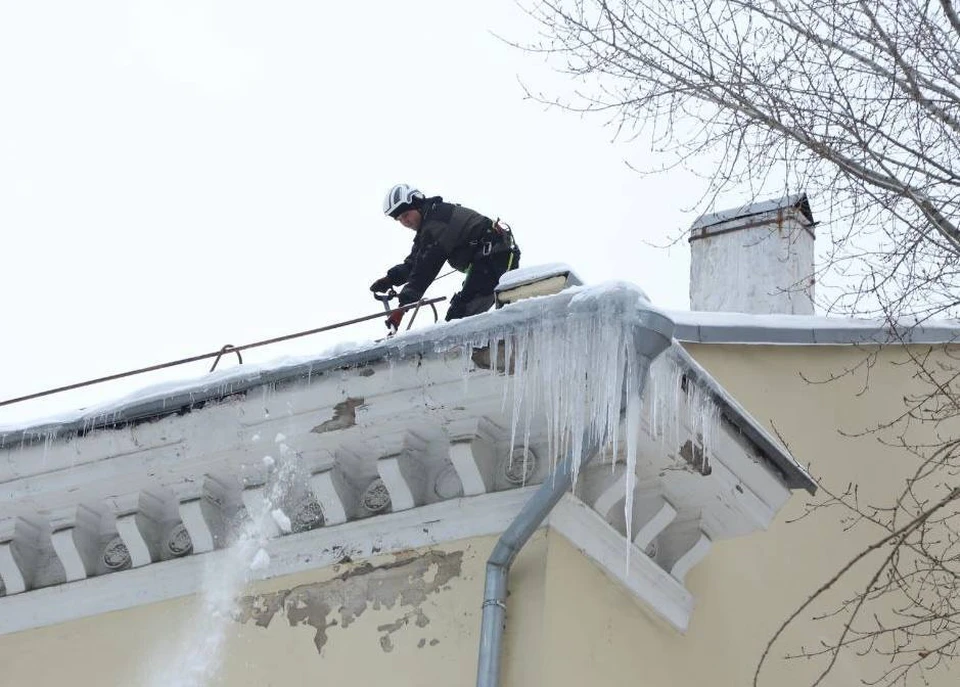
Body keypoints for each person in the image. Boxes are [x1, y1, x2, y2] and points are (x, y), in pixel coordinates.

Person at [370, 184, 521, 332]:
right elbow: (415, 262)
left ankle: (475, 350)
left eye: (405, 215)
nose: (405, 222)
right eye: (399, 220)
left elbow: (425, 269)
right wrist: (390, 279)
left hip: (495, 258)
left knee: (459, 318)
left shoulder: (437, 222)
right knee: (459, 316)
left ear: (417, 206)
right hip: (490, 259)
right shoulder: (429, 224)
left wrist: (401, 309)